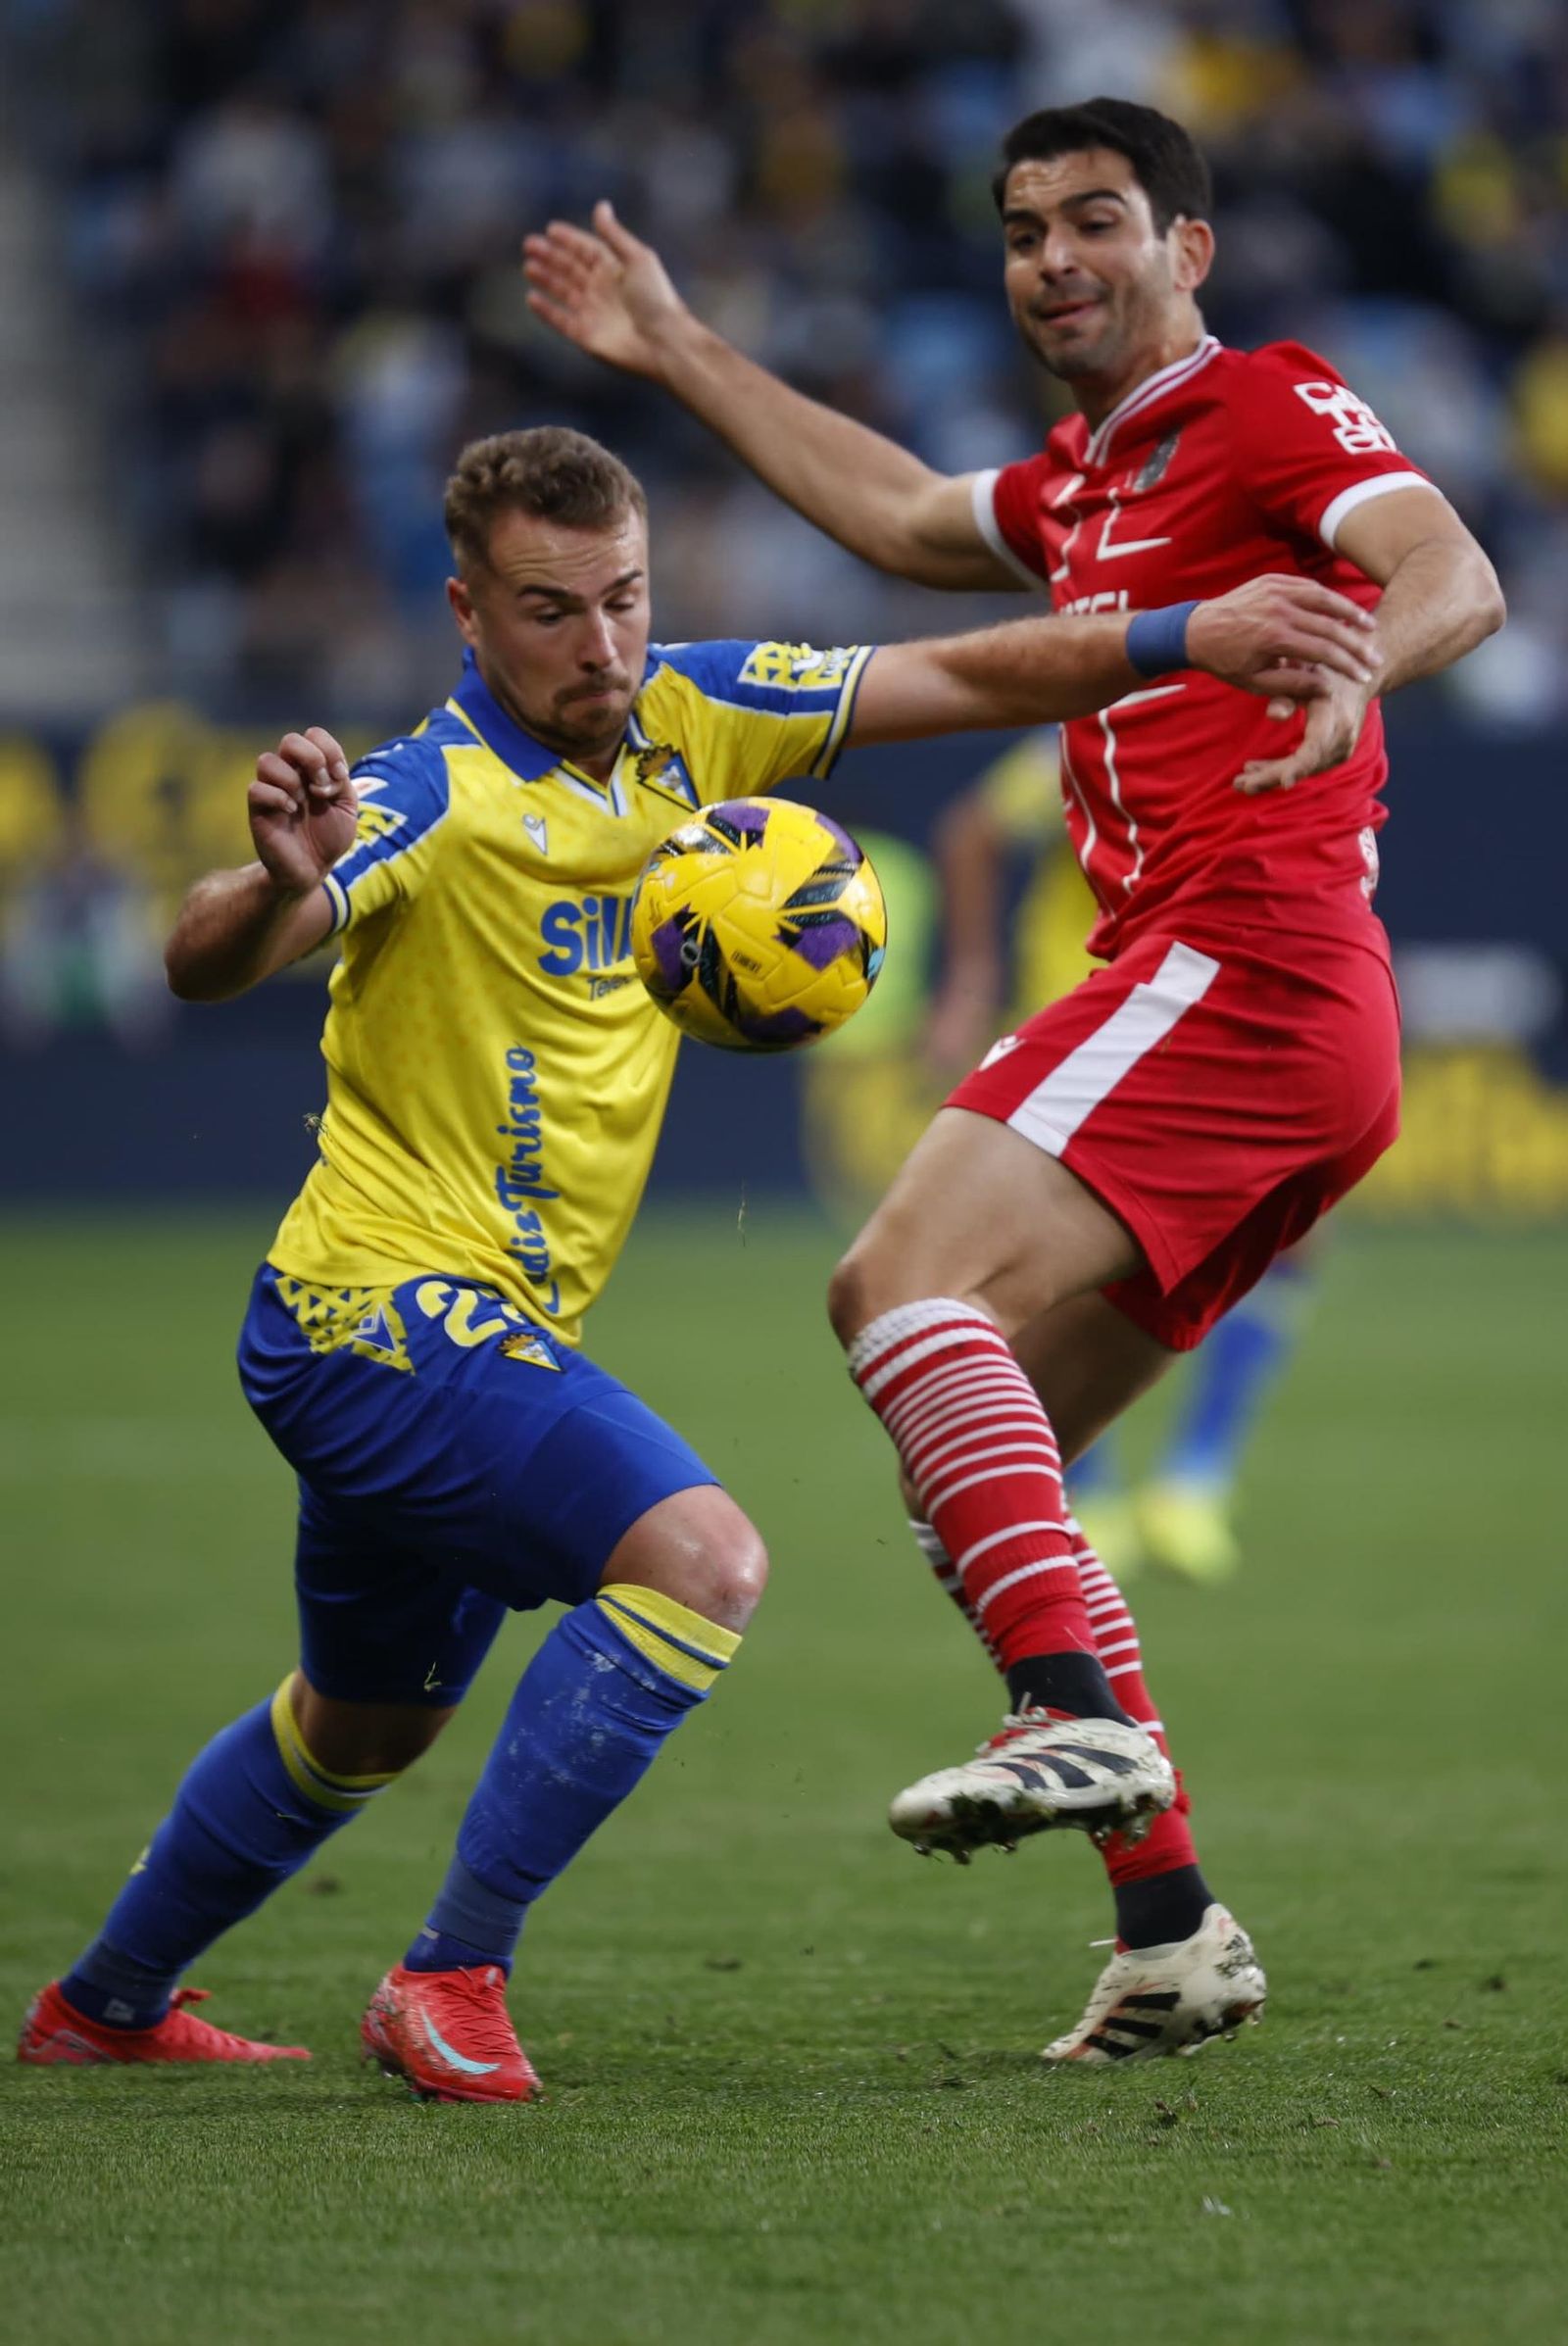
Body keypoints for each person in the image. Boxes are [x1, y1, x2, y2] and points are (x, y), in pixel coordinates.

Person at [17, 424, 1366, 2100]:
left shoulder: (692, 709)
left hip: (416, 1324)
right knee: (702, 1557)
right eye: (550, 610)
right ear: (465, 611)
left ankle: (107, 1996)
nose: (601, 646)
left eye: (626, 599)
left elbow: (962, 670)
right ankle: (450, 1972)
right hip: (380, 1311)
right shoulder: (430, 790)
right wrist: (267, 882)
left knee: (360, 1724)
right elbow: (214, 950)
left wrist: (1185, 631)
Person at [523, 93, 1504, 2061]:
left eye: (1094, 220)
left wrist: (1353, 668)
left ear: (1185, 248)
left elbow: (1450, 564)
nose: (1051, 257)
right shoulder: (1083, 478)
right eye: (1019, 228)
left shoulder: (1261, 406)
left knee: (889, 1286)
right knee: (991, 1476)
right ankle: (1168, 1927)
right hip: (1274, 1028)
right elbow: (896, 518)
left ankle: (1064, 1722)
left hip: (1244, 971)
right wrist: (674, 344)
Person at [925, 730, 1320, 1588]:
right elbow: (974, 831)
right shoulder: (1105, 734)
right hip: (1090, 1025)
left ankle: (1194, 1482)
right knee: (1044, 1267)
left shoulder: (1270, 736)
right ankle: (1084, 1490)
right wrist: (969, 979)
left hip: (1211, 1021)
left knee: (1291, 1239)